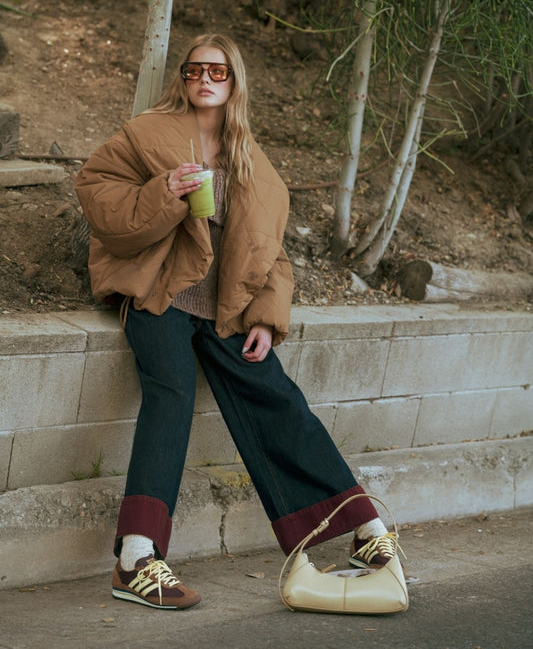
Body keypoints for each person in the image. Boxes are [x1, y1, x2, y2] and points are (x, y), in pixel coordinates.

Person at [75, 33, 397, 611]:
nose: (204, 79)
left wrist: (268, 320)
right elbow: (99, 200)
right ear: (182, 78)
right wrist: (164, 192)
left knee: (277, 396)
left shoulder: (251, 156)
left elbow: (269, 250)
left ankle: (366, 530)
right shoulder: (145, 134)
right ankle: (137, 558)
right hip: (161, 294)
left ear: (233, 83)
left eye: (217, 72)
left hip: (225, 308)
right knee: (170, 394)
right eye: (195, 69)